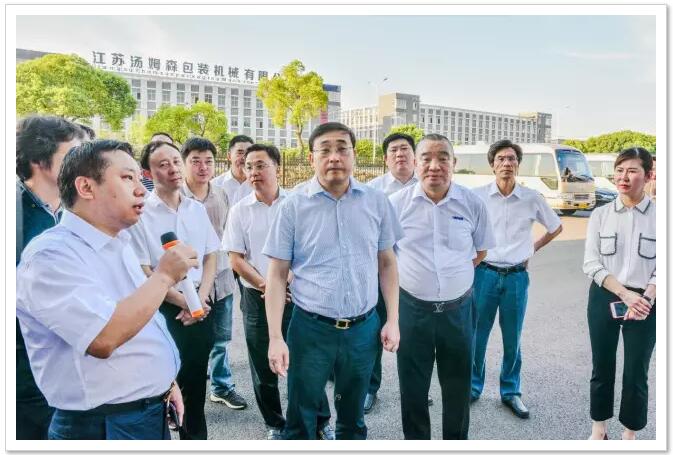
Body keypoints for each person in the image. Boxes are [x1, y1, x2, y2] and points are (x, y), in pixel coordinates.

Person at [16, 140, 187, 439]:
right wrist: (163, 277)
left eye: (139, 178)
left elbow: (139, 321)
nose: (141, 190)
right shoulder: (50, 256)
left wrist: (164, 382)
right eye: (127, 178)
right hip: (102, 426)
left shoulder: (118, 243)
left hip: (146, 411)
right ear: (86, 187)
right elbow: (102, 337)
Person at [264, 122, 402, 440]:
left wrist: (393, 319)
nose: (334, 156)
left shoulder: (376, 202)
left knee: (353, 418)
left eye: (342, 148)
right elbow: (277, 274)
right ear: (311, 158)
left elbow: (387, 263)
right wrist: (275, 337)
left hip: (363, 329)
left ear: (354, 154)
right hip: (310, 329)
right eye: (325, 150)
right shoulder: (293, 206)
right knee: (301, 414)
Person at [223, 144, 333, 440]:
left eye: (261, 165)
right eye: (248, 166)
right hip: (257, 297)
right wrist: (268, 286)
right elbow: (236, 259)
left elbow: (310, 249)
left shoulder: (296, 204)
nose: (253, 172)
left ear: (277, 168)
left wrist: (287, 283)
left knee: (307, 362)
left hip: (299, 295)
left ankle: (321, 421)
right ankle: (274, 423)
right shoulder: (239, 210)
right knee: (263, 365)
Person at [390, 133, 495, 440]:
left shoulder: (472, 203)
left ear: (454, 163)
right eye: (426, 158)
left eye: (443, 158)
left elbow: (481, 251)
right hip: (411, 310)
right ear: (415, 162)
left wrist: (454, 275)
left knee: (458, 388)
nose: (434, 165)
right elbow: (386, 258)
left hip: (458, 310)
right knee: (413, 389)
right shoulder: (395, 205)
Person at [128, 140, 219, 440]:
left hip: (200, 305)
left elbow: (211, 256)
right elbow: (144, 269)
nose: (173, 169)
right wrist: (183, 301)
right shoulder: (142, 214)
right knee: (161, 387)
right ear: (147, 173)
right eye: (163, 164)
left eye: (176, 161)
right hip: (164, 307)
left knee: (195, 387)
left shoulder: (196, 209)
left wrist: (199, 299)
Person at [470, 139, 563, 419]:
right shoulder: (477, 197)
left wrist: (531, 249)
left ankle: (510, 391)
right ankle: (472, 387)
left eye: (511, 159)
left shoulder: (531, 198)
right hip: (484, 274)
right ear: (492, 165)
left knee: (513, 337)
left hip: (516, 278)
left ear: (518, 164)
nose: (506, 163)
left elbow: (556, 227)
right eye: (501, 159)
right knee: (477, 335)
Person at [583, 147, 656, 441]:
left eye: (632, 170)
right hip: (606, 294)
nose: (624, 177)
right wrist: (625, 294)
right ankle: (599, 428)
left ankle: (630, 433)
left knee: (636, 369)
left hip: (647, 301)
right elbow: (591, 263)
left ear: (648, 175)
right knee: (602, 365)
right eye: (620, 170)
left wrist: (647, 297)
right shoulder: (601, 215)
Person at [15, 115, 81, 440]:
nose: (82, 163)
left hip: (74, 366)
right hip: (25, 369)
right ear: (40, 161)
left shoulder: (73, 211)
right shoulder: (14, 213)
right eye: (72, 155)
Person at [179, 137, 248, 411]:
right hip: (187, 282)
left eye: (208, 161)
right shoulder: (177, 196)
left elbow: (227, 235)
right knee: (188, 342)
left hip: (221, 277)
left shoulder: (220, 193)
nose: (203, 167)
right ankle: (183, 395)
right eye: (195, 161)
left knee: (221, 339)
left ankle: (221, 387)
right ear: (184, 163)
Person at [364, 132, 419, 414]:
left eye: (405, 149)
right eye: (394, 150)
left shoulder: (428, 186)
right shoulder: (371, 191)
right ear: (385, 158)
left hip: (414, 276)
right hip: (379, 274)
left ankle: (415, 387)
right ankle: (369, 388)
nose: (400, 154)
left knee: (412, 335)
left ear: (414, 156)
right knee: (373, 332)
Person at [212, 134, 254, 205]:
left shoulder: (259, 186)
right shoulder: (215, 185)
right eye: (240, 153)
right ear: (229, 156)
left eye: (248, 153)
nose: (244, 157)